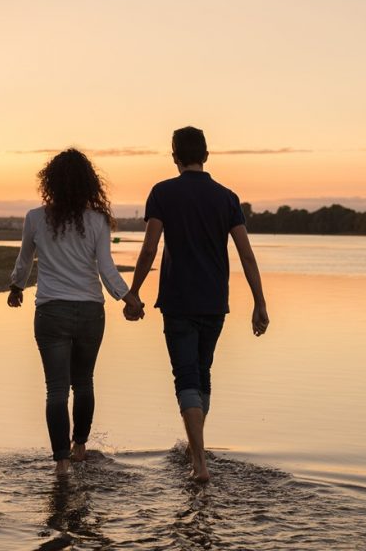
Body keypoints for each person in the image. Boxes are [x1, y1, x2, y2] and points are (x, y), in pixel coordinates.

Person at [127, 126, 269, 482]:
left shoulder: (162, 193)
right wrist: (260, 303)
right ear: (206, 155)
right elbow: (246, 255)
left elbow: (149, 248)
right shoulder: (227, 197)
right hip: (214, 303)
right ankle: (196, 449)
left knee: (186, 376)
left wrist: (134, 291)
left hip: (178, 300)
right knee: (202, 374)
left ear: (174, 156)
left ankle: (199, 464)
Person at [8, 149, 144, 475]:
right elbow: (106, 269)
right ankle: (80, 447)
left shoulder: (35, 218)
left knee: (56, 388)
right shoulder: (97, 221)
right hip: (90, 312)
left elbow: (25, 261)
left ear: (50, 182)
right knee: (83, 383)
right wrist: (128, 297)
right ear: (88, 183)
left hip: (51, 312)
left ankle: (61, 463)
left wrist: (16, 287)